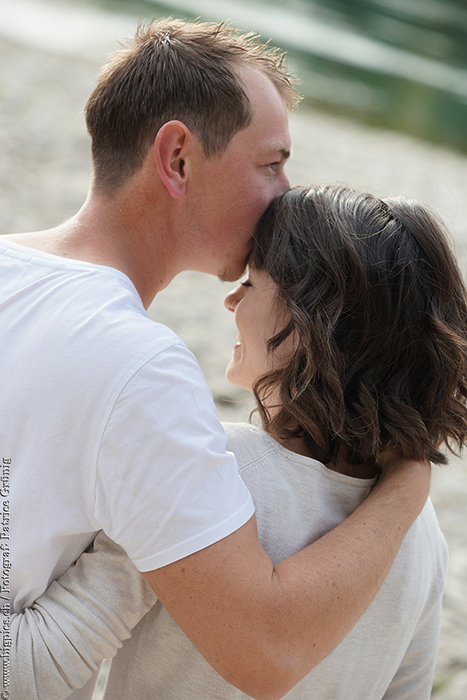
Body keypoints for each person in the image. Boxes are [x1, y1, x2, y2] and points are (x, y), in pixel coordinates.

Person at [7, 18, 431, 700]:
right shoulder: (140, 366)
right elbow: (265, 651)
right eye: (270, 163)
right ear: (177, 159)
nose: (286, 193)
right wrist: (408, 485)